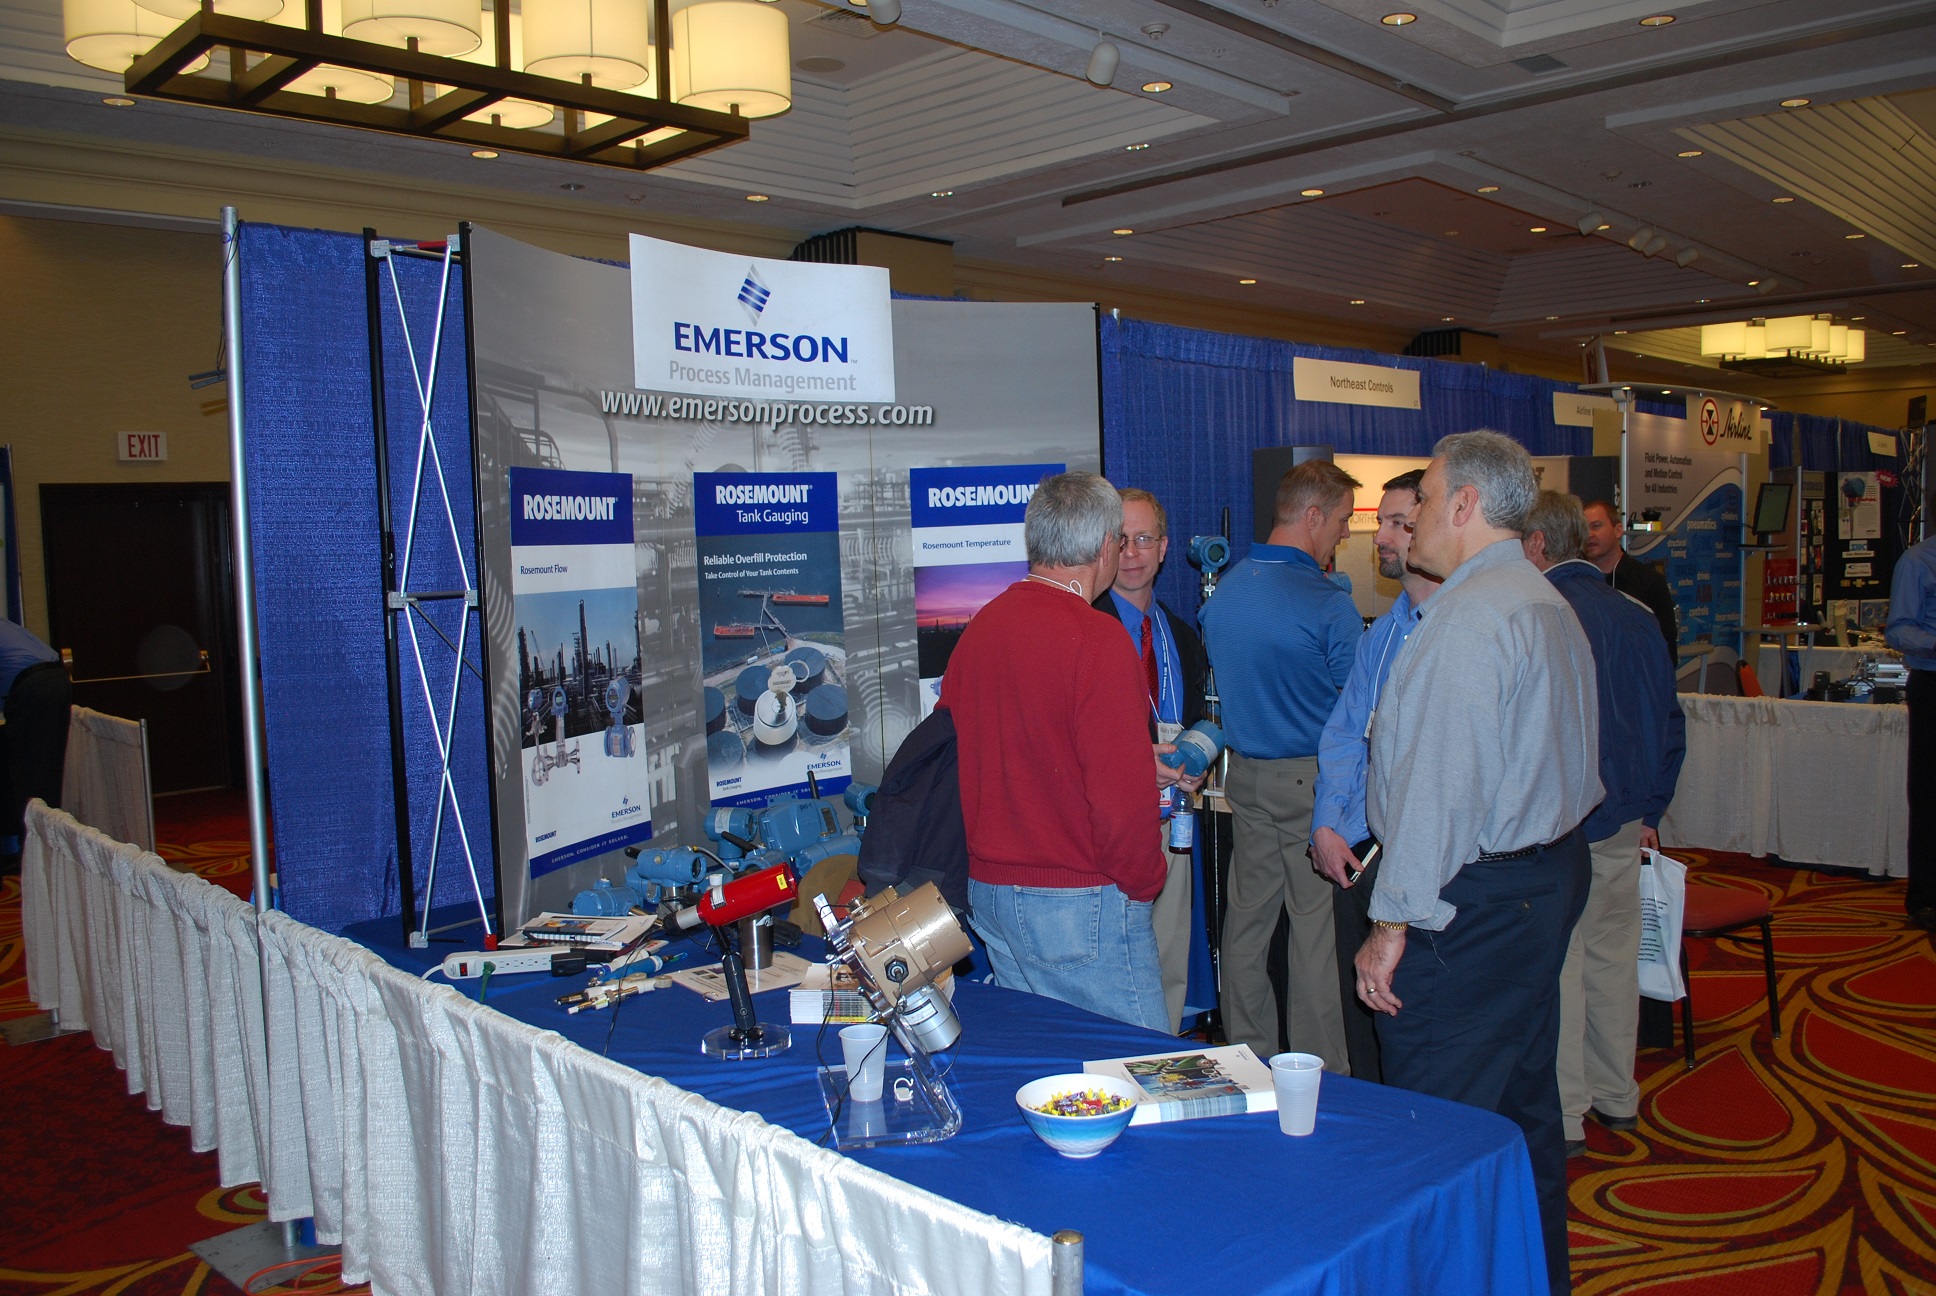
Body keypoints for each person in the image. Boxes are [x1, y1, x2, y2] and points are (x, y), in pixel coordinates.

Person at [1355, 432, 1601, 1295]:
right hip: (1540, 881)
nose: (1409, 518)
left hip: (1472, 902)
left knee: (1437, 1132)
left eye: (1423, 498)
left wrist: (1391, 922)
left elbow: (1438, 793)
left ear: (1463, 505)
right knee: (1521, 1115)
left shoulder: (1467, 621)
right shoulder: (1540, 597)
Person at [942, 470, 1169, 1031]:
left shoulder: (982, 627)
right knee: (1139, 1064)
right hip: (1076, 898)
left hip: (989, 890)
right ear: (1105, 547)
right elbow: (1120, 797)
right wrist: (1143, 881)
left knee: (1045, 1062)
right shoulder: (1097, 639)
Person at [1522, 491, 1687, 1155]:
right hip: (1623, 819)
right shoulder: (1638, 615)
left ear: (1537, 544)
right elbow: (1670, 722)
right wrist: (1651, 807)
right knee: (1615, 961)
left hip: (1562, 827)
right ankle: (1618, 1095)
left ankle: (1566, 1115)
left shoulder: (1541, 616)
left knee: (1561, 967)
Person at [1200, 460, 1362, 1070]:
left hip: (1245, 778)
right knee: (1314, 930)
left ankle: (1248, 1057)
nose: (1344, 534)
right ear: (1312, 515)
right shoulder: (1327, 605)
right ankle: (1321, 1072)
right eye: (1342, 521)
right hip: (1312, 784)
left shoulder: (1225, 594)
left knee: (1246, 923)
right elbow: (1360, 713)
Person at [1309, 468, 1440, 1083]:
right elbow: (1344, 734)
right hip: (1358, 855)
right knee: (1360, 1021)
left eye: (1397, 524)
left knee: (1410, 1026)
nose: (1380, 537)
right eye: (1380, 522)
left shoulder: (1453, 633)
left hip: (1420, 861)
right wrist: (1327, 825)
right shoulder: (1384, 631)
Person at [1093, 487, 1210, 1032]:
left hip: (1173, 820)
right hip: (1106, 828)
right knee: (1110, 963)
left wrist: (1197, 759)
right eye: (1120, 539)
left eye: (1144, 539)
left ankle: (1166, 1050)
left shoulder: (1181, 635)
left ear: (1164, 548)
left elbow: (1193, 718)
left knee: (1169, 954)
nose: (1132, 552)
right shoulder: (1085, 629)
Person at [1886, 533, 1936, 932]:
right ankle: (1926, 899)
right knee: (1930, 795)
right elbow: (1899, 630)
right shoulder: (1918, 561)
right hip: (1933, 685)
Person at [0, 619, 72, 875]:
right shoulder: (5, 625)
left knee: (27, 776)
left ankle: (35, 860)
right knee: (47, 772)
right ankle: (42, 854)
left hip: (32, 688)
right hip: (56, 680)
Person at [1583, 499, 1678, 661]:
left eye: (1596, 526)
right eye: (1584, 529)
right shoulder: (1579, 582)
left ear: (1618, 530)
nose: (1589, 534)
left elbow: (1667, 650)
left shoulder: (1649, 582)